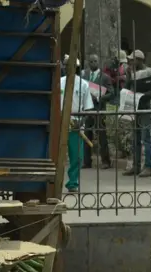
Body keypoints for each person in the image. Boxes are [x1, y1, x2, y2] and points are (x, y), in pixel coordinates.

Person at [123, 50, 151, 177]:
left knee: (146, 137)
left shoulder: (149, 72)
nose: (130, 62)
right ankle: (136, 165)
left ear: (139, 60)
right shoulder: (131, 72)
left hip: (145, 107)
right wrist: (129, 76)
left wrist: (145, 95)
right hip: (135, 107)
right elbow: (127, 88)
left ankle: (149, 166)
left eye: (132, 60)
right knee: (136, 138)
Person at [61, 56, 94, 192]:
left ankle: (73, 183)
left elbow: (88, 107)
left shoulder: (84, 85)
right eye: (68, 65)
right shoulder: (59, 82)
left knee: (77, 156)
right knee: (57, 156)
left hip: (76, 124)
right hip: (61, 122)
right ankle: (53, 183)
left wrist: (81, 121)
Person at [82, 54, 113, 169]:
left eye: (95, 61)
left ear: (98, 62)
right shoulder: (84, 75)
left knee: (102, 136)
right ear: (88, 63)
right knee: (87, 135)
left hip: (99, 109)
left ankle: (106, 161)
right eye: (91, 61)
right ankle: (87, 162)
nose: (93, 63)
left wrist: (99, 97)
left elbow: (111, 93)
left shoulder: (105, 77)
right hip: (88, 109)